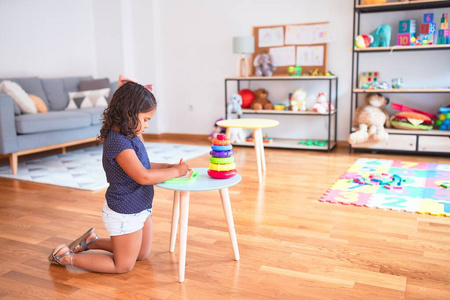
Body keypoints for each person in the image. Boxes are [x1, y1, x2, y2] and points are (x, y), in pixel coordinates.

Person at [48, 75, 189, 273]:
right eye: (146, 119)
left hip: (140, 208)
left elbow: (143, 165)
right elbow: (143, 176)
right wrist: (175, 171)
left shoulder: (130, 135)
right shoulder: (118, 142)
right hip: (124, 212)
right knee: (122, 265)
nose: (147, 125)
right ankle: (67, 258)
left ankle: (92, 241)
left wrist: (167, 166)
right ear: (129, 113)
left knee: (141, 254)